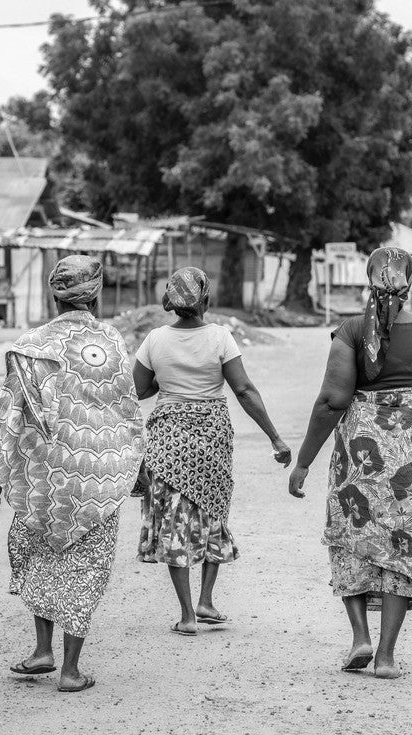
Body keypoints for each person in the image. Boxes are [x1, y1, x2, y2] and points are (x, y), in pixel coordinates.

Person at [287, 247, 412, 679]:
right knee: (401, 542)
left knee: (351, 531)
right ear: (410, 286)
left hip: (363, 444)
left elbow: (333, 400)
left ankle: (360, 638)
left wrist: (303, 462)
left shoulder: (352, 331)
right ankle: (387, 657)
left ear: (367, 281)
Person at [0, 255, 145, 693]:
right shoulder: (110, 341)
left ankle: (41, 650)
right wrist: (134, 469)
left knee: (40, 559)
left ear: (54, 294)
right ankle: (69, 669)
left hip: (41, 479)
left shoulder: (31, 342)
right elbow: (125, 411)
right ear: (96, 292)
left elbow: (10, 412)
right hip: (96, 477)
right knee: (85, 569)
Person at [132, 267, 291, 636]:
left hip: (167, 438)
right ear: (206, 299)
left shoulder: (154, 339)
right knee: (211, 511)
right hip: (212, 436)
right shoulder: (221, 337)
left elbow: (138, 391)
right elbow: (245, 391)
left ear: (170, 301)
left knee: (174, 520)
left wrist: (164, 377)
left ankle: (188, 614)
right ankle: (206, 599)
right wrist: (275, 438)